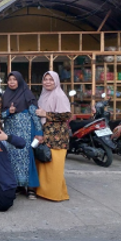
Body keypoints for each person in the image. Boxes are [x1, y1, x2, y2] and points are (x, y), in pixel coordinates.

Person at [1, 71, 43, 199]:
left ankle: (30, 188)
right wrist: (9, 111)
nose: (12, 82)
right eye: (9, 80)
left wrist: (39, 132)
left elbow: (35, 115)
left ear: (19, 81)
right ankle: (17, 185)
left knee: (27, 159)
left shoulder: (27, 94)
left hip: (26, 132)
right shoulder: (5, 96)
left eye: (14, 79)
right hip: (10, 133)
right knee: (12, 159)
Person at [34, 71, 72, 202]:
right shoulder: (44, 95)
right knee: (46, 166)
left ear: (56, 81)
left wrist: (46, 114)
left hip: (58, 137)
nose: (48, 82)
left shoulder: (60, 96)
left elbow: (66, 115)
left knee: (55, 167)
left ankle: (55, 194)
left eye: (51, 79)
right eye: (45, 79)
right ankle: (45, 192)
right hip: (46, 135)